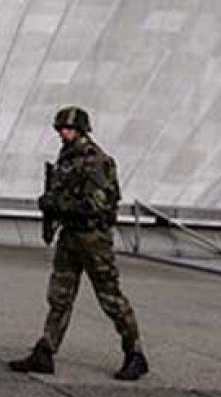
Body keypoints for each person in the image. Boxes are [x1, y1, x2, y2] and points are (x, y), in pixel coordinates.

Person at [10, 106, 148, 381]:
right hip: (71, 236)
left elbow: (97, 203)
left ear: (81, 129)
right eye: (60, 128)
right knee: (59, 297)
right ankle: (45, 351)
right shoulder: (67, 157)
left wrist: (56, 203)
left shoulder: (95, 160)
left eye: (68, 128)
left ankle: (135, 354)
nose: (63, 133)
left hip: (92, 238)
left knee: (110, 298)